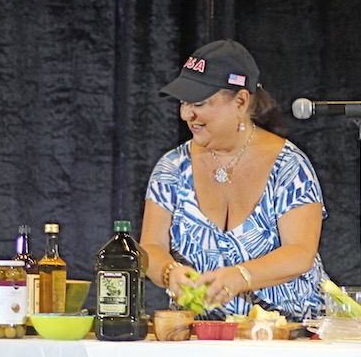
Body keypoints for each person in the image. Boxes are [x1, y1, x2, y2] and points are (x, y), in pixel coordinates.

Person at [140, 39, 328, 321]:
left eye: (199, 103)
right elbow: (151, 248)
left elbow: (300, 252)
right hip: (203, 335)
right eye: (183, 102)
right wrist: (169, 273)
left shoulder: (289, 166)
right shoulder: (172, 168)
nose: (186, 114)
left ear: (240, 101)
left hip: (290, 334)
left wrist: (241, 276)